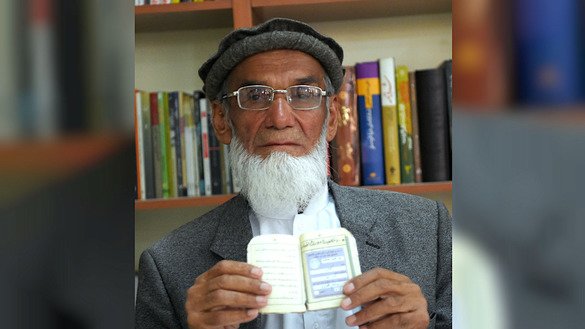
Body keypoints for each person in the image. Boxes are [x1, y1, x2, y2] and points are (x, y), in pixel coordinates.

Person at [135, 18, 452, 329]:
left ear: (330, 119)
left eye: (303, 94)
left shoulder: (427, 226)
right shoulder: (167, 264)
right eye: (256, 96)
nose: (280, 117)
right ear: (221, 120)